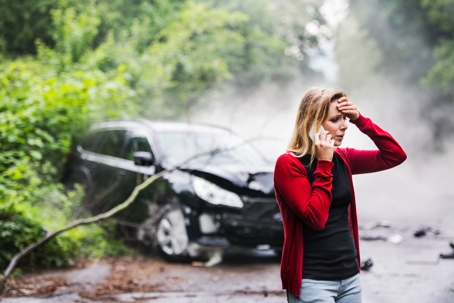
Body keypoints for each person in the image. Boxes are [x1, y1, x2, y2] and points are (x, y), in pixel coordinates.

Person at [273, 87, 407, 303]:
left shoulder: (343, 158)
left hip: (350, 278)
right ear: (312, 124)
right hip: (313, 282)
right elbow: (315, 218)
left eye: (345, 118)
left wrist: (360, 120)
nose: (344, 125)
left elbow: (395, 155)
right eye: (335, 119)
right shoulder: (289, 164)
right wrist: (324, 163)